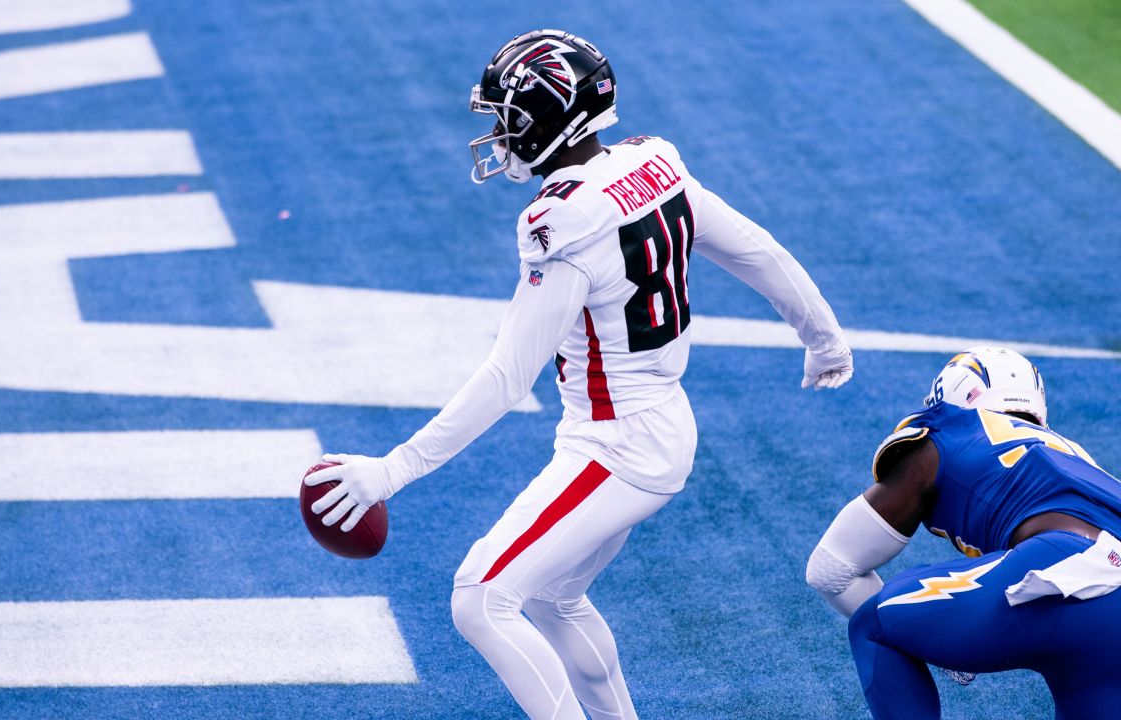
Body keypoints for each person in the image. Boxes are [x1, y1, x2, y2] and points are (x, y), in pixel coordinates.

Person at [307, 29, 853, 720]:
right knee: (553, 598)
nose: (501, 136)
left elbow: (509, 377)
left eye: (510, 119)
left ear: (553, 118)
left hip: (616, 443)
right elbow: (757, 250)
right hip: (651, 424)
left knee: (480, 596)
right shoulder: (655, 165)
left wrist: (393, 470)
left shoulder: (563, 221)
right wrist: (824, 338)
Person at [806, 347, 1121, 720]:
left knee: (874, 625)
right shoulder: (1077, 457)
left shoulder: (950, 429)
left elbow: (830, 569)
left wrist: (933, 639)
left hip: (1059, 561)